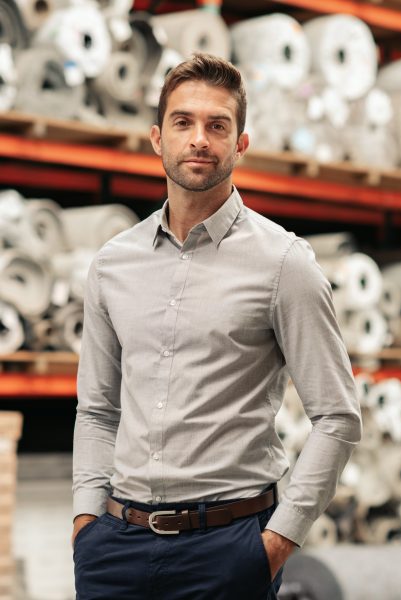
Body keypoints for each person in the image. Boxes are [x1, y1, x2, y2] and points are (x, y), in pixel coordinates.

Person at [71, 52, 361, 599]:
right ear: (158, 138)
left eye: (217, 125)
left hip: (228, 550)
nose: (199, 139)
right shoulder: (113, 263)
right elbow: (97, 409)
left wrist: (276, 543)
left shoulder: (284, 265)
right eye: (183, 122)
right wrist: (86, 526)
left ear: (240, 144)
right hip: (115, 549)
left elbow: (338, 416)